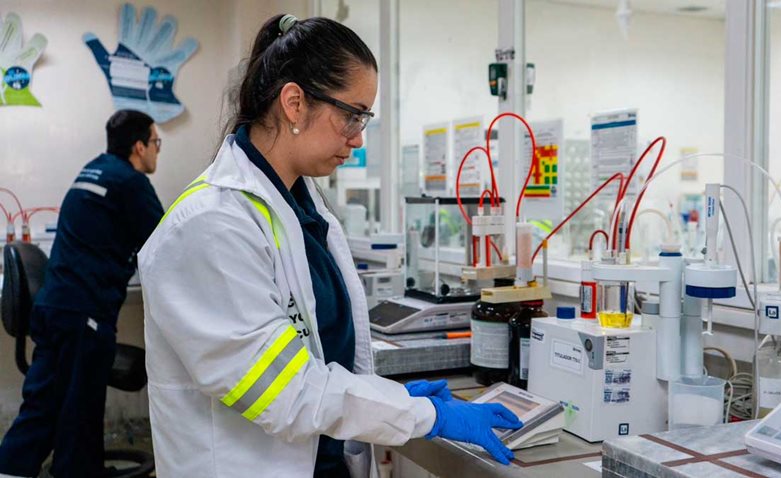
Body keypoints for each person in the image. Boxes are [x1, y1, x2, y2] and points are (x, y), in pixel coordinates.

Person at [138, 14, 523, 478]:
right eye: (351, 115)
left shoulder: (305, 208)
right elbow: (286, 393)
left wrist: (389, 397)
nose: (358, 139)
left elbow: (322, 358)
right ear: (294, 103)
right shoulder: (209, 225)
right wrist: (427, 415)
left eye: (364, 118)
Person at [0, 110, 165, 478]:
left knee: (58, 407)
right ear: (139, 147)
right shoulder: (131, 183)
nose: (157, 151)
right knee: (68, 412)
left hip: (55, 307)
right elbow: (165, 245)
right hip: (83, 315)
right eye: (156, 143)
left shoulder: (91, 171)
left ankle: (56, 468)